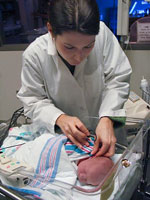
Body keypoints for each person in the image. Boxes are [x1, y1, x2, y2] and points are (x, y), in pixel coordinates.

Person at [17, 0, 132, 158]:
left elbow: (117, 80)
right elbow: (32, 99)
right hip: (65, 144)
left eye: (88, 46)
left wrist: (107, 118)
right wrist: (59, 118)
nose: (78, 57)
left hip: (108, 139)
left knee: (112, 175)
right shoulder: (35, 55)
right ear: (51, 30)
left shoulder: (103, 35)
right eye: (69, 47)